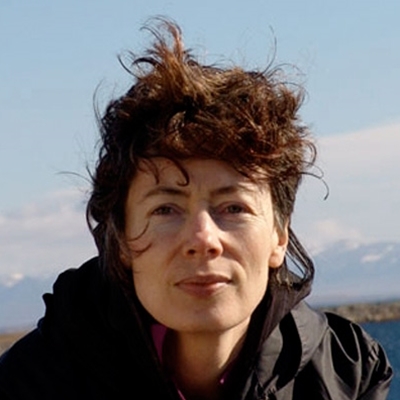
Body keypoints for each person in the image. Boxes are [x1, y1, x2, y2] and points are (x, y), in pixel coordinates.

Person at [0, 19, 392, 400]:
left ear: (279, 235)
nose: (203, 239)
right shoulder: (28, 384)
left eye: (233, 207)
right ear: (120, 240)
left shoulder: (345, 375)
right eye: (165, 209)